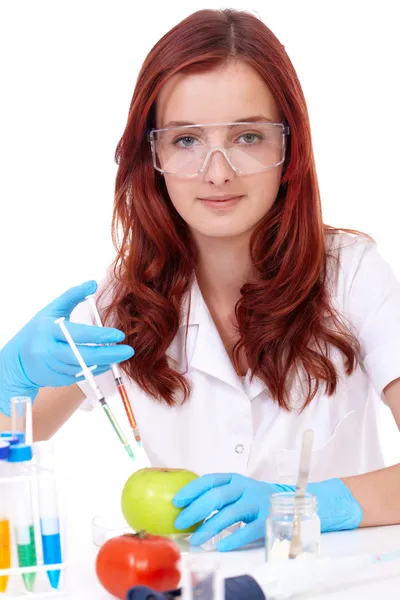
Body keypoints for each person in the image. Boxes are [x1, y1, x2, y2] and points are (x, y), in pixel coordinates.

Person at [1, 8, 400, 552]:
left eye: (248, 137)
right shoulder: (125, 302)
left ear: (289, 151)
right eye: (186, 140)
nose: (217, 171)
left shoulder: (351, 274)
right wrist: (11, 381)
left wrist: (310, 505)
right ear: (153, 155)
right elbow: (12, 442)